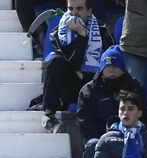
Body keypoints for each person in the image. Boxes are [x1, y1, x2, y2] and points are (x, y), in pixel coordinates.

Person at [41, 0, 112, 133]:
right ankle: (48, 115)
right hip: (71, 86)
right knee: (55, 62)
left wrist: (84, 75)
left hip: (95, 85)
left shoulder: (103, 30)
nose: (74, 14)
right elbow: (71, 63)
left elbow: (109, 65)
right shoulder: (58, 33)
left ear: (89, 11)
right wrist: (81, 35)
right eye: (70, 9)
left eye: (79, 9)